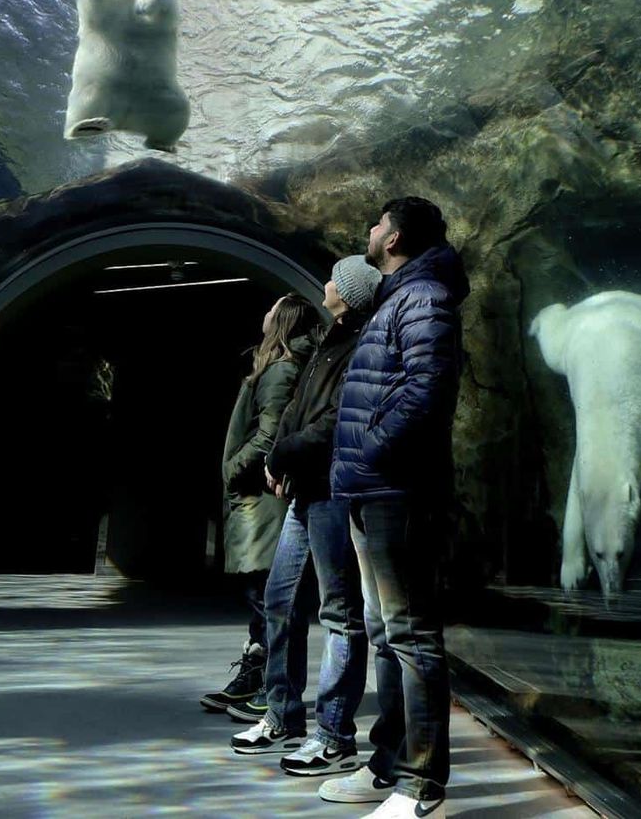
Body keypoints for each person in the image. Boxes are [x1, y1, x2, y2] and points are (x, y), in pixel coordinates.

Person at [321, 198, 469, 819]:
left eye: (377, 225)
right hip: (369, 487)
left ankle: (421, 784)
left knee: (411, 636)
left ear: (397, 235)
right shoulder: (398, 297)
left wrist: (374, 449)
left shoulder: (425, 296)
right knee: (386, 631)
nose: (370, 234)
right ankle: (388, 764)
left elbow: (426, 387)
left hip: (395, 490)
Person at [229, 254, 382, 773]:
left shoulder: (360, 344)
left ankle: (336, 734)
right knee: (279, 601)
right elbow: (298, 411)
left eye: (334, 279)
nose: (324, 284)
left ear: (349, 292)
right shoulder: (331, 340)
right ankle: (281, 713)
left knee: (339, 613)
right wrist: (280, 456)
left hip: (333, 491)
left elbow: (340, 420)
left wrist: (284, 453)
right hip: (304, 488)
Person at [200, 292, 316, 715]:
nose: (264, 313)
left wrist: (233, 468)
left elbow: (269, 436)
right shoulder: (280, 366)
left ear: (282, 319)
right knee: (265, 596)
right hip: (259, 500)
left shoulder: (280, 369)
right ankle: (256, 677)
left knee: (267, 596)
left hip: (261, 502)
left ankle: (273, 688)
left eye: (272, 308)